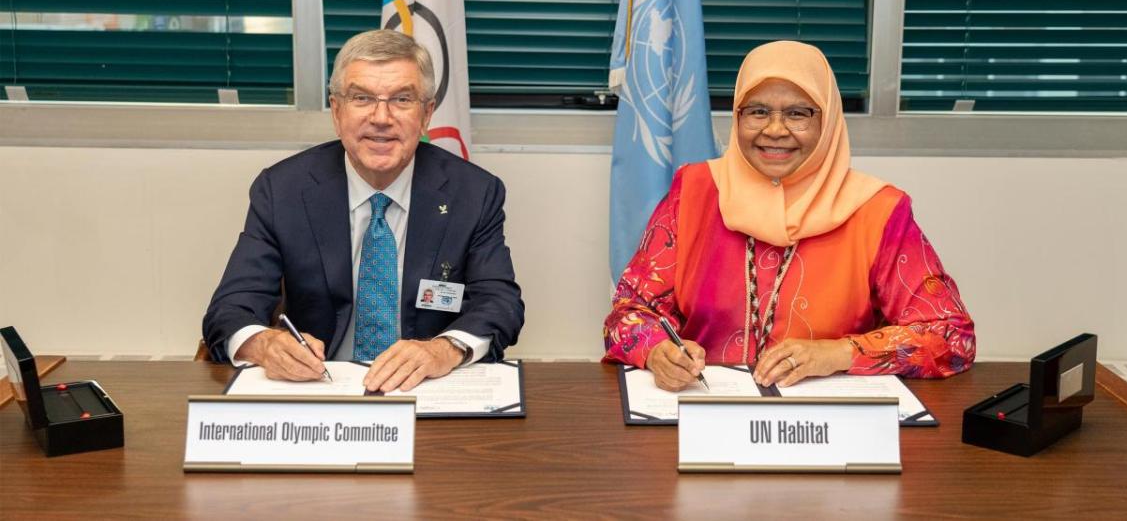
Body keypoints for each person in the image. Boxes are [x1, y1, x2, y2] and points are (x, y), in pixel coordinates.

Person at [603, 41, 974, 391]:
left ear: (827, 120)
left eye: (798, 113)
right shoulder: (694, 192)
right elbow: (629, 313)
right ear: (736, 116)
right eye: (758, 111)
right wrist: (656, 351)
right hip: (709, 414)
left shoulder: (878, 210)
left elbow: (951, 336)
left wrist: (839, 353)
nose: (775, 130)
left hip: (828, 429)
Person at [203, 30, 523, 392]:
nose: (381, 117)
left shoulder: (474, 192)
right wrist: (264, 344)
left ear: (426, 114)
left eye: (402, 99)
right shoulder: (283, 190)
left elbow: (500, 304)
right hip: (319, 392)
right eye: (362, 98)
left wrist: (442, 350)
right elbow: (230, 309)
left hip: (425, 391)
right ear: (337, 111)